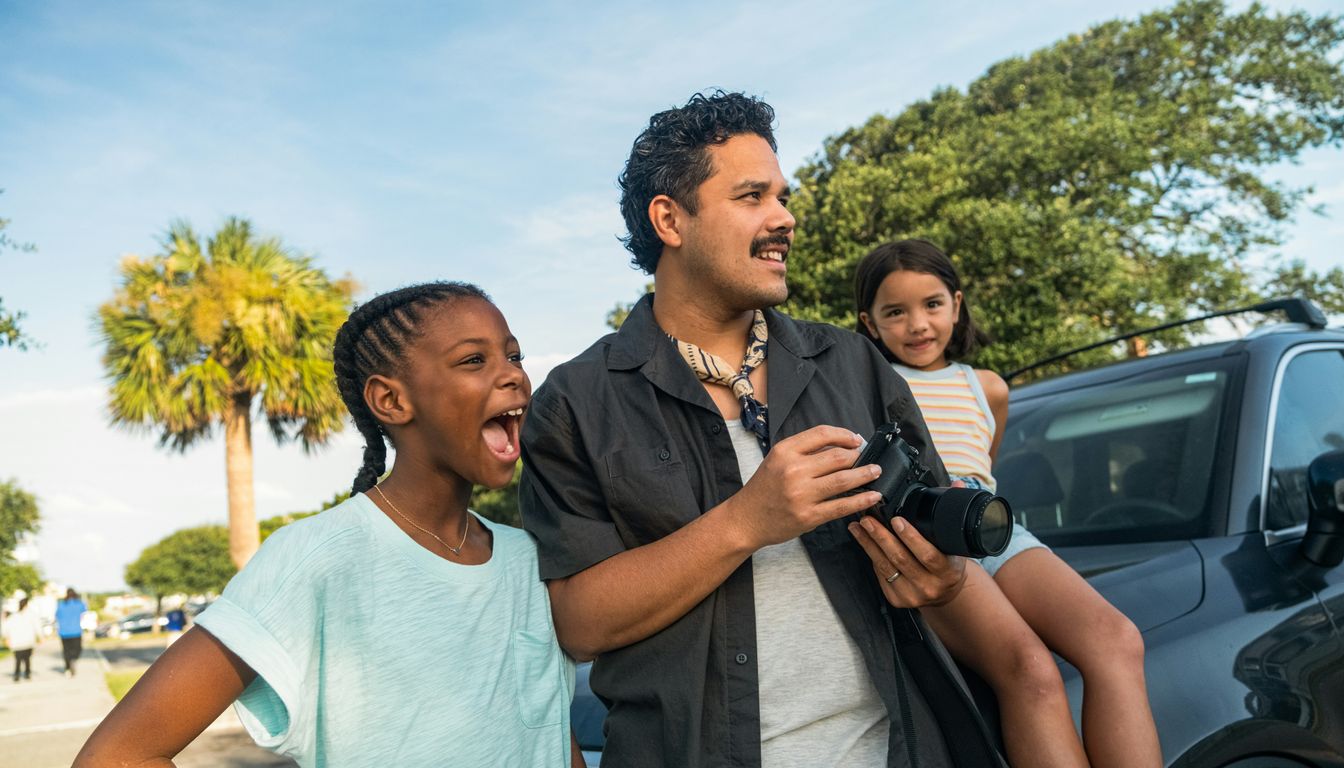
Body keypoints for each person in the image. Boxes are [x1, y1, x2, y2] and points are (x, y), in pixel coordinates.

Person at [519, 91, 1004, 768]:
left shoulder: (852, 361)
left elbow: (933, 547)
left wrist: (941, 577)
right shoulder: (575, 401)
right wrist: (747, 521)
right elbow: (578, 624)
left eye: (782, 196)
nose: (785, 218)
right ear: (670, 219)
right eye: (752, 197)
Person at [75, 282, 584, 768]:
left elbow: (552, 739)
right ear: (391, 401)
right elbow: (118, 754)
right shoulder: (315, 558)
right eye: (474, 360)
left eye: (514, 356)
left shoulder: (529, 559)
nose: (513, 376)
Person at [855, 238, 1163, 768]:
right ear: (870, 323)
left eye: (932, 304)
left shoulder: (987, 387)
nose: (918, 325)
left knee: (1117, 640)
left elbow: (984, 468)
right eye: (895, 312)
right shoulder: (872, 384)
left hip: (992, 524)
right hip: (928, 536)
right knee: (1030, 670)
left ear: (956, 304)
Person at [3, 597, 42, 681]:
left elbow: (6, 628)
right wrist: (40, 636)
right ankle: (27, 673)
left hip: (17, 642)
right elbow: (37, 626)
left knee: (18, 659)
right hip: (28, 641)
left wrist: (6, 638)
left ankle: (17, 674)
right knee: (27, 659)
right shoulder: (31, 614)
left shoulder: (13, 616)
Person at [55, 588, 86, 677]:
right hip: (76, 631)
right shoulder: (79, 604)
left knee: (66, 651)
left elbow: (57, 616)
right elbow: (84, 611)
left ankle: (67, 668)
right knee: (77, 649)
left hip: (64, 632)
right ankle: (73, 659)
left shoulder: (61, 604)